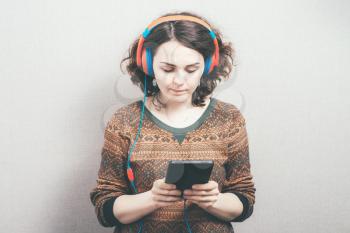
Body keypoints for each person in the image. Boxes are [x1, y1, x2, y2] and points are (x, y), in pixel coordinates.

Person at [90, 11, 256, 233]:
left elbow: (245, 200)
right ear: (148, 64)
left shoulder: (229, 118)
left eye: (191, 69)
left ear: (207, 66)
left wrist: (213, 200)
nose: (179, 80)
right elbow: (104, 208)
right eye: (167, 69)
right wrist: (152, 199)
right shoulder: (124, 121)